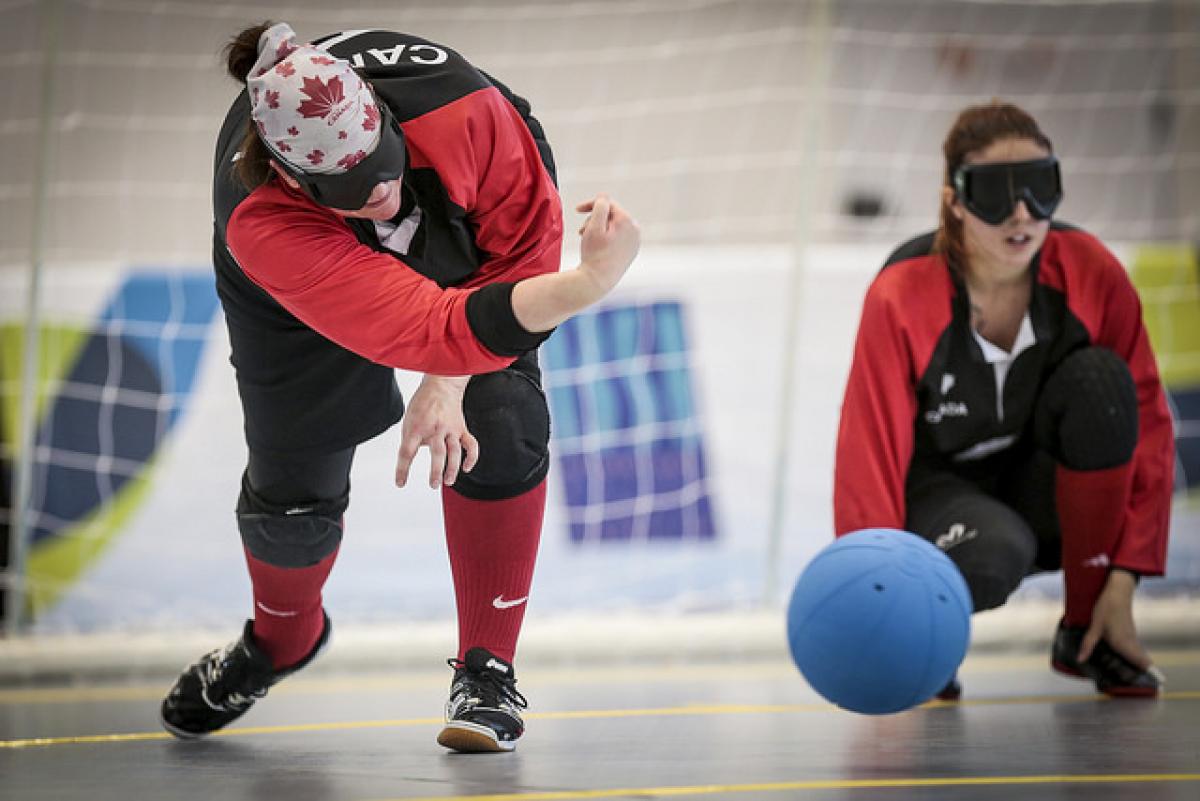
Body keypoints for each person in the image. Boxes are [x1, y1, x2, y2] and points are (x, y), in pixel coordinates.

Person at [158, 22, 640, 753]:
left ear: (381, 115)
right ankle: (279, 642)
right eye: (356, 191)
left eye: (382, 167)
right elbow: (436, 327)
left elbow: (519, 260)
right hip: (297, 276)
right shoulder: (264, 216)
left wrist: (448, 383)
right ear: (296, 177)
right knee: (293, 489)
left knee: (500, 412)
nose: (381, 197)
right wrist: (589, 283)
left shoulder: (466, 111)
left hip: (458, 208)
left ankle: (487, 669)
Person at [833, 101, 1174, 699]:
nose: (1022, 213)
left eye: (1041, 187)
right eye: (995, 191)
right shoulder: (901, 293)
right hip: (942, 500)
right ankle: (929, 634)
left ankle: (1088, 629)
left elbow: (1145, 422)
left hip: (1049, 492)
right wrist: (883, 613)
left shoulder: (1092, 272)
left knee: (1102, 383)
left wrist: (1125, 577)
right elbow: (871, 451)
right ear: (954, 200)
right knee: (992, 554)